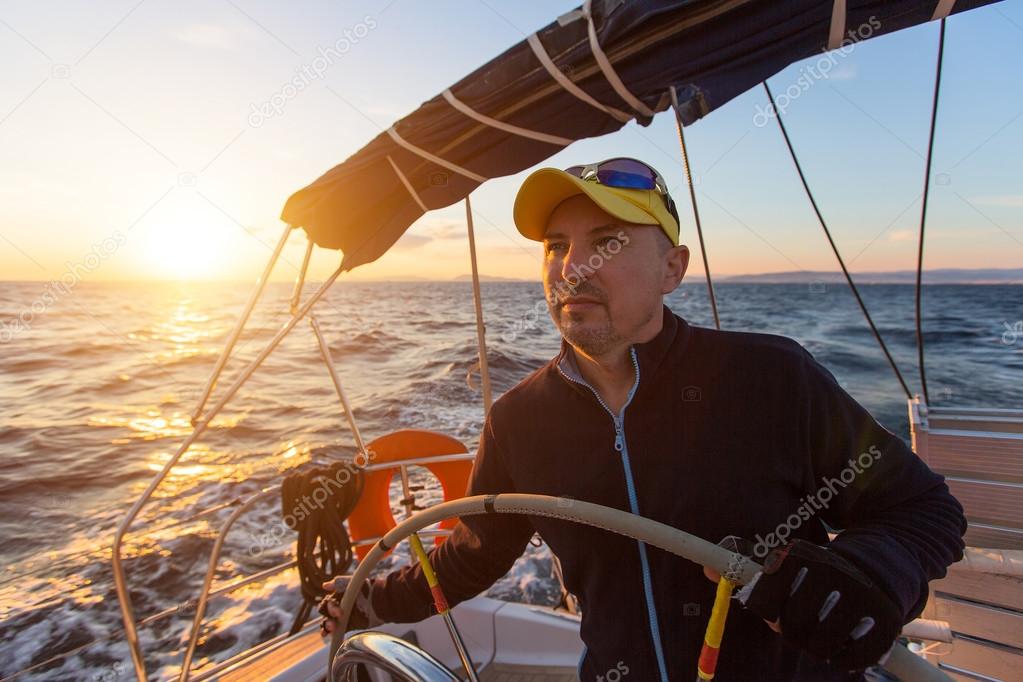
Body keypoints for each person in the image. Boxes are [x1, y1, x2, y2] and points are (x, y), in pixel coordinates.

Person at [320, 157, 967, 680]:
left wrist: (866, 573)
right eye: (555, 245)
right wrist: (374, 599)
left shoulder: (771, 379)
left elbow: (924, 512)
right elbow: (474, 555)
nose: (573, 268)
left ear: (672, 269)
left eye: (607, 242)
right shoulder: (518, 420)